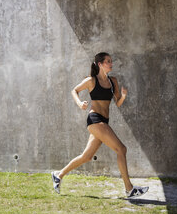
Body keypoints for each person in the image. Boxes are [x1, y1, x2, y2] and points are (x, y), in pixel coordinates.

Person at [51, 52, 149, 198]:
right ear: (100, 64)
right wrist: (80, 103)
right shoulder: (91, 80)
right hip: (95, 120)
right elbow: (74, 90)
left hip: (104, 121)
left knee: (87, 156)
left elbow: (117, 103)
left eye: (111, 61)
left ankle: (58, 175)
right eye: (108, 61)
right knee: (121, 149)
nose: (111, 64)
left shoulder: (113, 81)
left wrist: (123, 96)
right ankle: (129, 189)